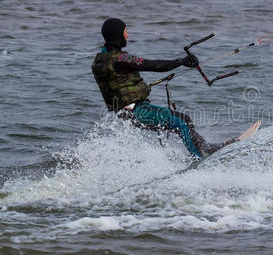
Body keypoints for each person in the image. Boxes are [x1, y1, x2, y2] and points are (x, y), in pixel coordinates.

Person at [92, 18, 228, 159]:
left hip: (127, 112)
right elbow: (155, 65)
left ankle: (205, 147)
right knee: (181, 122)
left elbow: (120, 84)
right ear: (118, 35)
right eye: (126, 32)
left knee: (183, 119)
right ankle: (199, 159)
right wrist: (181, 61)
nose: (128, 36)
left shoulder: (100, 59)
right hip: (137, 111)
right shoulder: (120, 59)